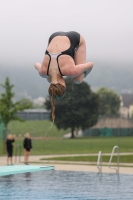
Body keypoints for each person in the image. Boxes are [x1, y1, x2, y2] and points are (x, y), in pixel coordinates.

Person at [35, 31, 93, 121]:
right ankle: (69, 56)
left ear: (63, 85)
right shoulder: (43, 71)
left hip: (75, 38)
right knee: (47, 78)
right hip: (53, 37)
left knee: (78, 79)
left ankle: (72, 56)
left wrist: (85, 74)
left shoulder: (70, 71)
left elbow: (90, 65)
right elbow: (35, 64)